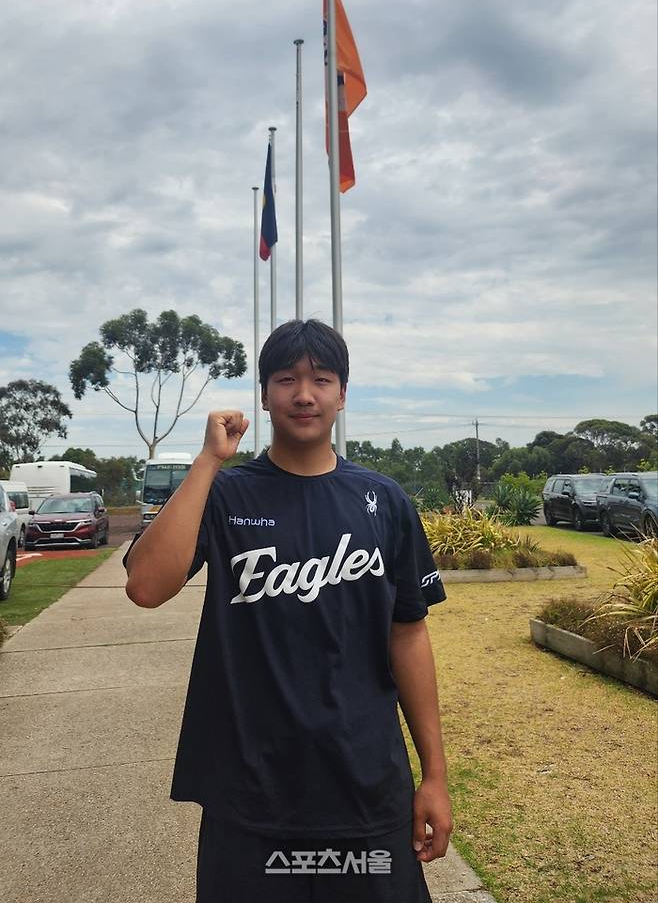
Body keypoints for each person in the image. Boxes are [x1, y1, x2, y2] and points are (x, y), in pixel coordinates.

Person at [123, 319, 453, 902]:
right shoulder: (226, 494)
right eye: (287, 380)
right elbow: (147, 586)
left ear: (342, 394)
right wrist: (207, 462)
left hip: (365, 784)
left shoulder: (385, 501)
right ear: (264, 393)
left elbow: (408, 635)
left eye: (321, 380)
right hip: (250, 791)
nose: (305, 394)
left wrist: (434, 775)